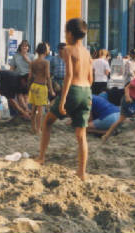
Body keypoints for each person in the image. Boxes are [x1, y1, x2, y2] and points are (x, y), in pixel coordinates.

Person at [36, 18, 93, 181]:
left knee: (47, 122)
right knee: (81, 135)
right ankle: (81, 173)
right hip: (86, 91)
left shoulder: (68, 49)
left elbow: (68, 76)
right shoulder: (87, 52)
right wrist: (88, 96)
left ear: (69, 33)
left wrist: (62, 101)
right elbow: (90, 78)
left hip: (73, 89)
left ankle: (41, 157)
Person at [101, 61, 135, 140]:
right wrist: (127, 96)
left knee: (124, 120)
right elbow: (127, 87)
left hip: (134, 101)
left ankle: (106, 135)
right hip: (128, 101)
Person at [28, 42, 55, 134]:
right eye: (47, 48)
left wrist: (29, 87)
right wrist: (51, 90)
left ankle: (33, 128)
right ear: (45, 51)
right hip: (41, 86)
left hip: (34, 85)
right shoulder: (46, 62)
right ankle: (39, 129)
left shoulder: (33, 62)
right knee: (40, 110)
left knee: (33, 109)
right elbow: (47, 76)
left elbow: (30, 76)